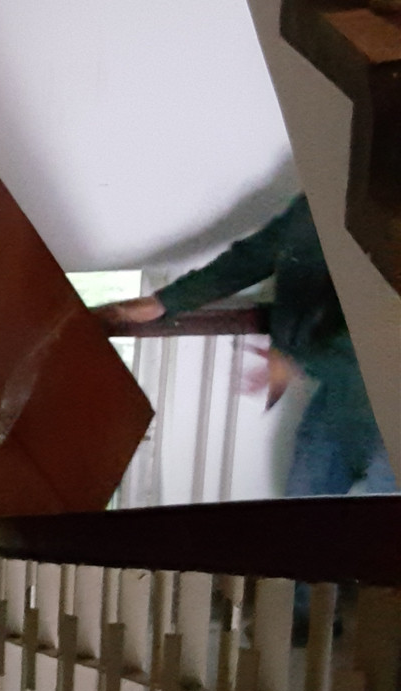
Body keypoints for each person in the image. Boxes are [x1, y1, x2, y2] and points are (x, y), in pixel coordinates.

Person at [96, 193, 397, 497]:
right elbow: (256, 255)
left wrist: (298, 358)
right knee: (302, 515)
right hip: (337, 405)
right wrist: (164, 301)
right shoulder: (326, 198)